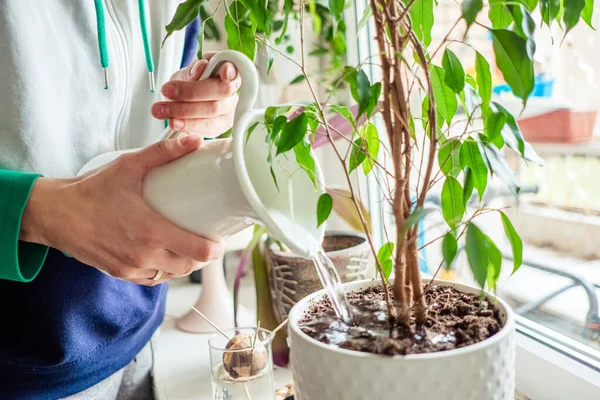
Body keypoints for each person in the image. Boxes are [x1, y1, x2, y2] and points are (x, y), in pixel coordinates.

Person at [0, 2, 240, 399]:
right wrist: (39, 212)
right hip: (21, 368)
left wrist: (204, 111)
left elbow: (154, 110)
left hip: (143, 330)